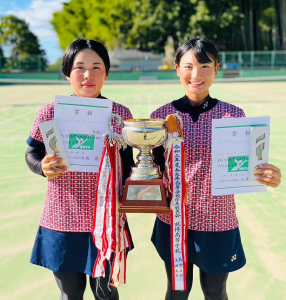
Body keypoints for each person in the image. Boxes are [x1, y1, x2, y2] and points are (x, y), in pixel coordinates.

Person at [151, 38, 282, 300]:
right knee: (177, 292)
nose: (196, 74)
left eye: (205, 66)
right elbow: (152, 167)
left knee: (214, 291)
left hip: (217, 221)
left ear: (217, 68)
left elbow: (250, 165)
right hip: (174, 221)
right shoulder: (160, 117)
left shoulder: (234, 116)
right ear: (177, 69)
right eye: (188, 66)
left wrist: (268, 175)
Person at [25, 39, 134, 300]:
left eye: (97, 67)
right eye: (79, 67)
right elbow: (32, 153)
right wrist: (42, 167)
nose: (88, 75)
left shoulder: (120, 115)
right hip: (62, 219)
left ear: (106, 73)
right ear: (67, 73)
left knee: (106, 294)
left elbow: (131, 164)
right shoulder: (49, 113)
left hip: (107, 221)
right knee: (70, 294)